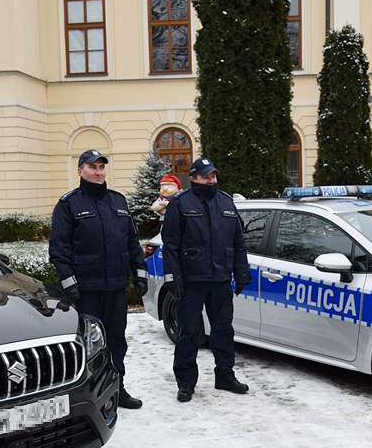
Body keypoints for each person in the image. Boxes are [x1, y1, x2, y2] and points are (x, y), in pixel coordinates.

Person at [50, 149, 148, 409]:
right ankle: (90, 397)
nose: (98, 172)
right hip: (87, 290)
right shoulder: (68, 204)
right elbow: (59, 249)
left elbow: (131, 242)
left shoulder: (118, 201)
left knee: (117, 341)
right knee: (89, 344)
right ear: (80, 170)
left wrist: (139, 273)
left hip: (115, 287)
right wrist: (68, 282)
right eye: (92, 167)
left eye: (101, 167)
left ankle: (117, 389)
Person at [161, 157, 251, 402]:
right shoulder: (180, 204)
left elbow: (238, 243)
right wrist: (173, 279)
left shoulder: (226, 202)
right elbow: (170, 246)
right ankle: (186, 383)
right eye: (205, 176)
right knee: (188, 334)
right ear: (193, 178)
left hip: (220, 280)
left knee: (223, 331)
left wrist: (241, 273)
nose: (211, 180)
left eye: (213, 175)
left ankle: (225, 376)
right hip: (191, 283)